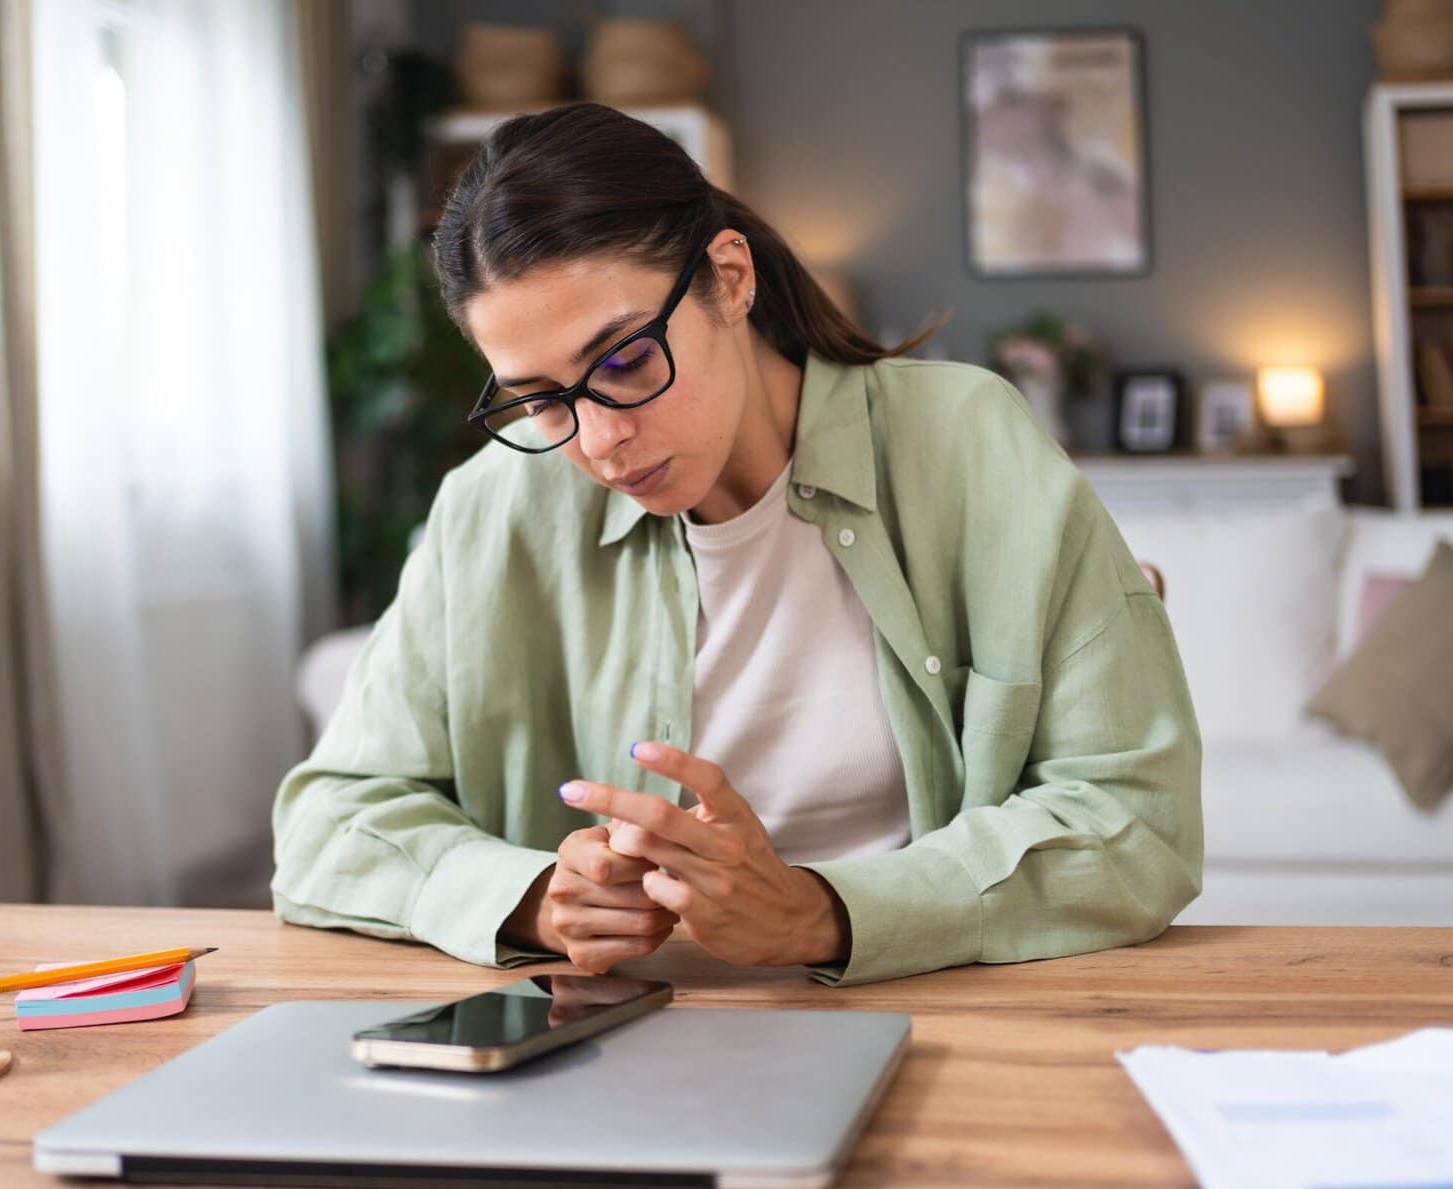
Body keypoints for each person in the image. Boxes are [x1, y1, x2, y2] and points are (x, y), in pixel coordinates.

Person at [271, 103, 1201, 986]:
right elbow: (326, 823)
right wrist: (531, 902)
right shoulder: (492, 513)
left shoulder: (967, 442)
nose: (596, 442)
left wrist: (823, 913)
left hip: (941, 1002)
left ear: (730, 277)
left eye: (626, 360)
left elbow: (1135, 821)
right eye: (540, 400)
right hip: (616, 1039)